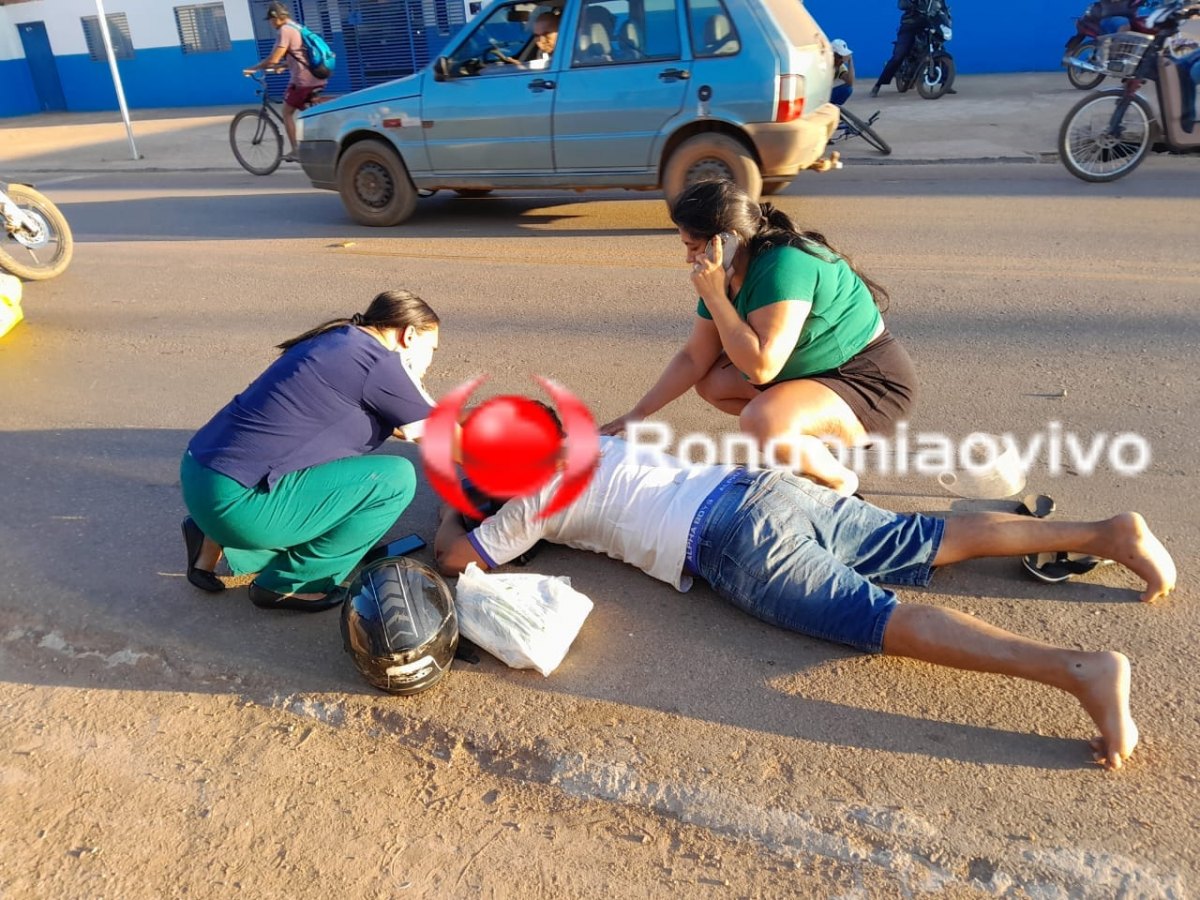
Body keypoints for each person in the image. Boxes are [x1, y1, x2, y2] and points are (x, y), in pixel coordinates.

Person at [434, 434, 1177, 770]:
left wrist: (452, 508)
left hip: (730, 540)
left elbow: (456, 559)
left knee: (876, 618)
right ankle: (1105, 532)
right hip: (758, 487)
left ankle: (1076, 670)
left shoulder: (530, 499)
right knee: (922, 536)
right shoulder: (591, 440)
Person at [600, 179, 918, 497]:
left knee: (761, 419)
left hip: (868, 384)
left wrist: (716, 299)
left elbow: (761, 369)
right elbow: (695, 356)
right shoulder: (724, 274)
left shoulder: (784, 266)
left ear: (726, 241)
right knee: (712, 382)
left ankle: (838, 482)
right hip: (811, 376)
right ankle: (795, 440)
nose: (688, 259)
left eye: (693, 247)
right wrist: (638, 414)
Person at [180, 290, 442, 612]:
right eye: (432, 349)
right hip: (235, 503)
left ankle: (212, 543)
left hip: (201, 476)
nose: (430, 361)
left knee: (329, 476)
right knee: (394, 480)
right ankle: (292, 584)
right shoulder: (379, 364)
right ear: (409, 335)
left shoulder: (338, 340)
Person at [243, 1, 329, 162]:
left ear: (276, 18)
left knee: (287, 112)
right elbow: (300, 54)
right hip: (318, 77)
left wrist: (254, 68)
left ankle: (296, 150)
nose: (270, 23)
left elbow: (273, 58)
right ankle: (314, 142)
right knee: (307, 112)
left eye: (270, 20)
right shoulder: (297, 27)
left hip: (303, 81)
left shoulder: (285, 30)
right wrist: (284, 65)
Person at [870, 0, 952, 97]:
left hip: (929, 24)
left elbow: (943, 9)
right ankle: (878, 85)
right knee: (899, 55)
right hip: (910, 24)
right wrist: (910, 5)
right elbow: (902, 3)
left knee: (939, 48)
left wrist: (947, 18)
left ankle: (946, 83)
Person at [830, 38, 855, 106]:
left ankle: (833, 108)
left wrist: (850, 61)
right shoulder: (824, 64)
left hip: (825, 95)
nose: (842, 60)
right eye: (840, 57)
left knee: (847, 89)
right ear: (833, 54)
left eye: (843, 57)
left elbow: (850, 82)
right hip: (814, 96)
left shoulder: (839, 65)